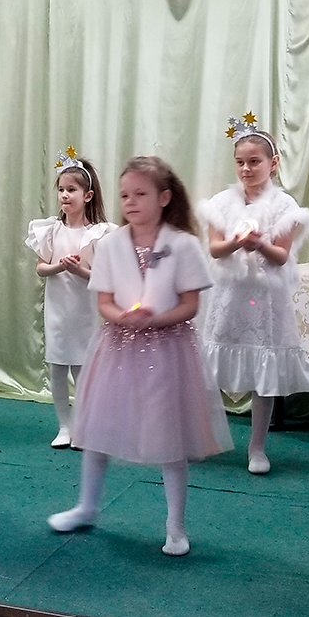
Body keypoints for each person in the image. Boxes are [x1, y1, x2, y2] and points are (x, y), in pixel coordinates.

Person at [49, 156, 232, 556]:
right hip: (118, 348)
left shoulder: (182, 244)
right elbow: (105, 302)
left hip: (168, 350)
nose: (130, 202)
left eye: (140, 194)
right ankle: (86, 506)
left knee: (170, 436)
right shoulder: (112, 244)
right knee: (96, 429)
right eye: (125, 195)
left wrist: (155, 320)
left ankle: (175, 525)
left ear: (164, 197)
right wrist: (124, 318)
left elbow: (190, 305)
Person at [199, 114, 309, 476]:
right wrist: (237, 242)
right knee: (209, 369)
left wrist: (259, 244)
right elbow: (215, 249)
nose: (246, 169)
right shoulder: (221, 202)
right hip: (228, 296)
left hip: (264, 300)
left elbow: (281, 256)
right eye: (240, 162)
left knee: (264, 371)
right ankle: (202, 437)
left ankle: (258, 446)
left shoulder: (285, 206)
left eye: (254, 162)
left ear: (273, 162)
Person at [25, 147, 114, 448]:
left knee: (83, 369)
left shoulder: (100, 233)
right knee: (57, 367)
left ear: (87, 196)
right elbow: (41, 268)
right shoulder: (51, 230)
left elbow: (104, 277)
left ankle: (83, 426)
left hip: (84, 311)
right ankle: (64, 426)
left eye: (71, 190)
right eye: (61, 190)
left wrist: (80, 270)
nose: (64, 195)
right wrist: (58, 267)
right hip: (58, 310)